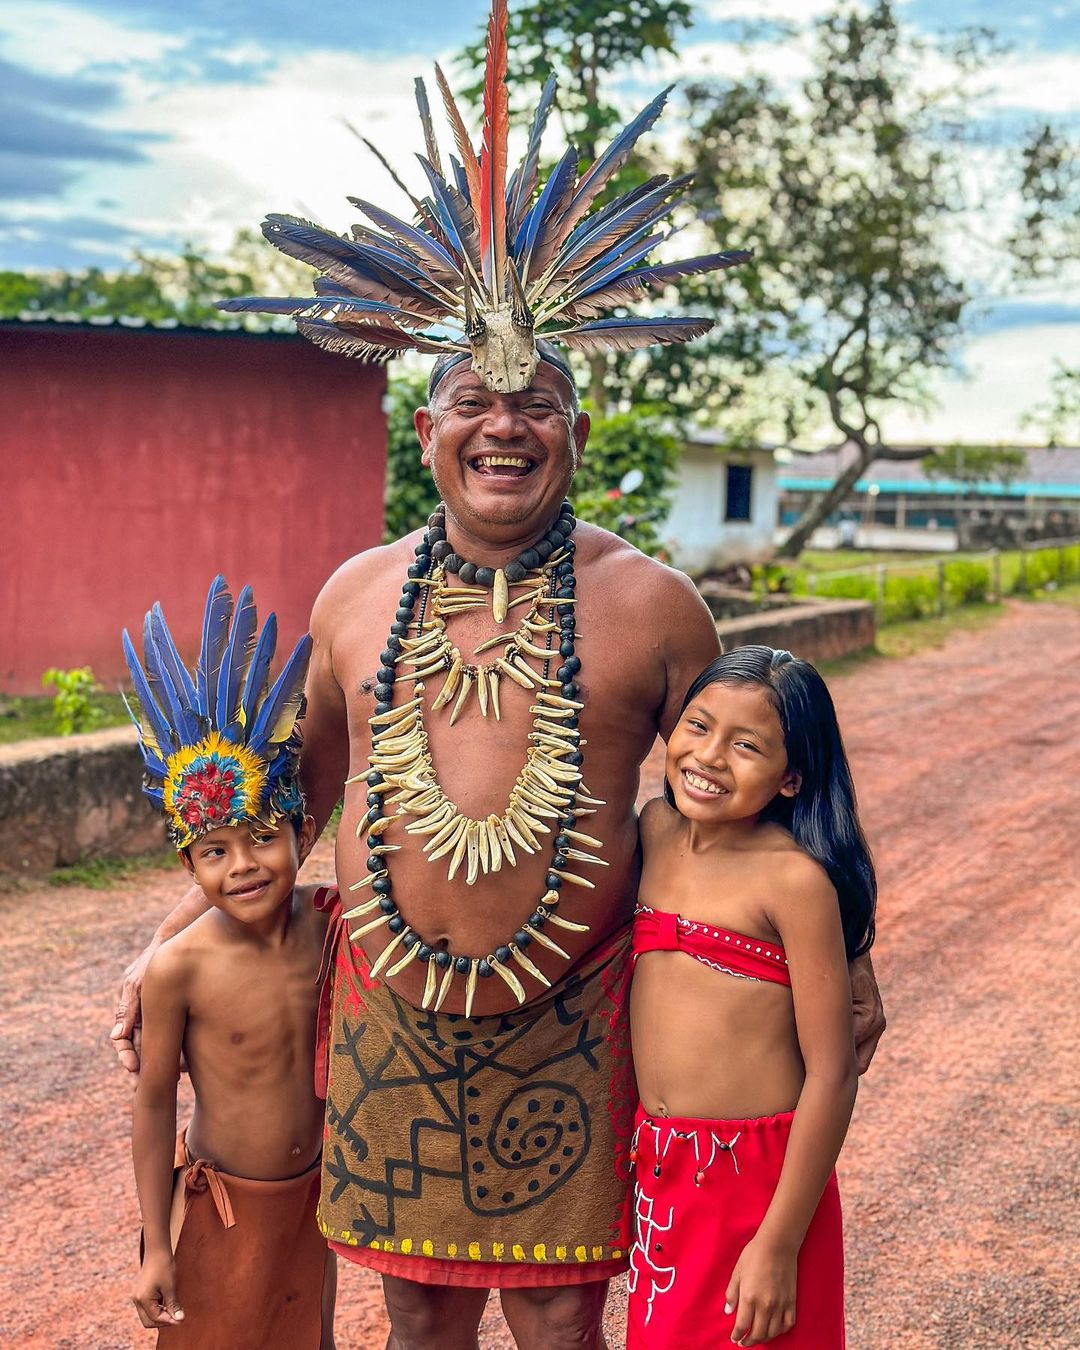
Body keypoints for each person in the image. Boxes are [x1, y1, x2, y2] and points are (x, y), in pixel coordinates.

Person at [111, 4, 886, 1345]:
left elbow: (738, 792)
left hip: (571, 1016)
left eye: (535, 402)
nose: (503, 422)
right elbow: (290, 814)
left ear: (575, 432)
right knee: (410, 1311)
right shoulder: (356, 593)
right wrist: (171, 935)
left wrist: (844, 953)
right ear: (428, 427)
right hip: (390, 1017)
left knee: (555, 1313)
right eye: (474, 397)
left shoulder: (653, 603)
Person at [627, 647, 876, 1347]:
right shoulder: (653, 830)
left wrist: (779, 1242)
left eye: (747, 746)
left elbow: (832, 1071)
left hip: (760, 1184)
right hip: (664, 1171)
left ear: (791, 777)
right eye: (699, 727)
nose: (709, 757)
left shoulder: (793, 884)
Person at [124, 580, 337, 1348]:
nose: (243, 867)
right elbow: (153, 1105)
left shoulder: (329, 927)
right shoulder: (177, 968)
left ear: (301, 832)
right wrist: (155, 1242)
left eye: (261, 838)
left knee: (308, 1338)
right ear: (189, 864)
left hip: (313, 1199)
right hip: (219, 1206)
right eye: (216, 850)